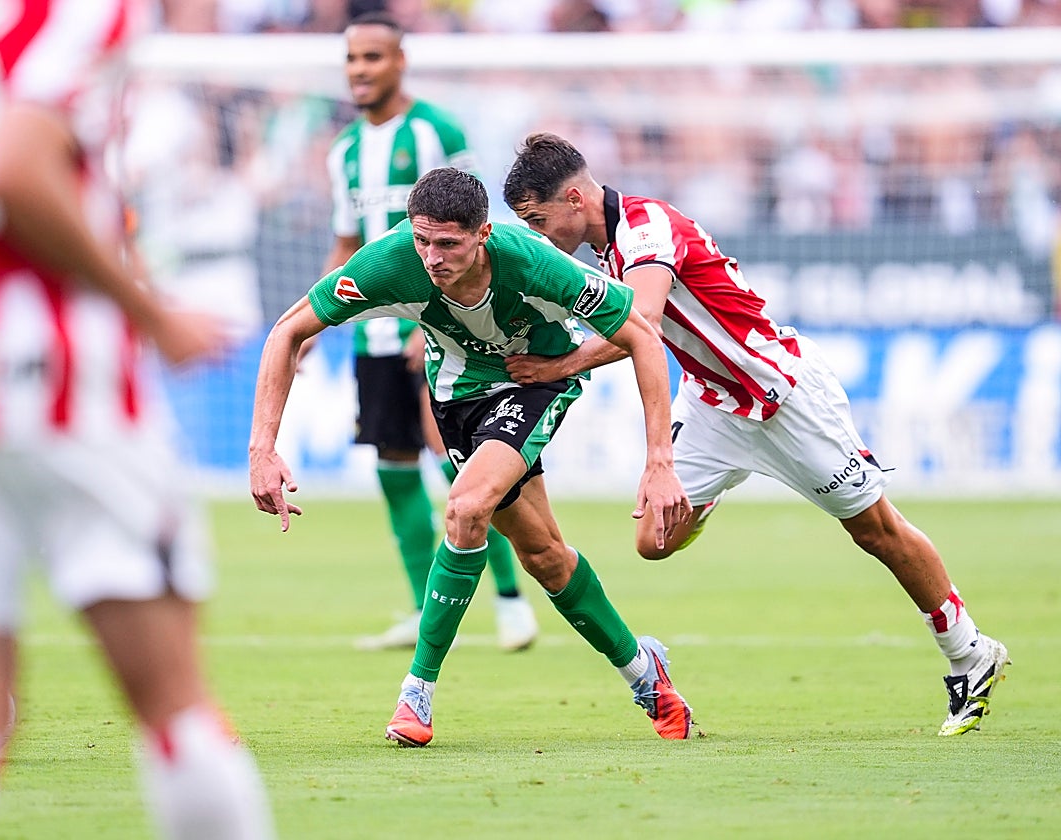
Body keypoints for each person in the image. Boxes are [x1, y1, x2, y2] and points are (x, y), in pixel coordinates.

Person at [0, 2, 274, 838]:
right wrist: (151, 313)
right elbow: (14, 168)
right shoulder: (81, 13)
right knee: (175, 709)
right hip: (61, 384)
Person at [502, 132, 1011, 737]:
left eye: (538, 220)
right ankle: (718, 484)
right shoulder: (604, 248)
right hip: (713, 404)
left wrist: (557, 367)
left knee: (876, 531)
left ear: (574, 199)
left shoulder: (645, 227)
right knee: (654, 540)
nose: (536, 234)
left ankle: (969, 652)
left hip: (781, 394)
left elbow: (641, 324)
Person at [249, 167, 695, 746]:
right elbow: (286, 331)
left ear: (483, 234)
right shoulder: (391, 261)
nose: (432, 258)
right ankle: (643, 671)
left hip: (533, 382)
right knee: (543, 556)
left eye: (448, 244)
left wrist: (659, 461)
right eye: (422, 240)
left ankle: (417, 691)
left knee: (465, 508)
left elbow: (642, 336)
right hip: (456, 397)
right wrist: (263, 449)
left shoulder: (535, 263)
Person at [321, 11, 537, 652]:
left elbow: (478, 222)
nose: (360, 70)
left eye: (373, 57)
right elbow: (345, 243)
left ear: (400, 61)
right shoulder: (344, 152)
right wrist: (311, 325)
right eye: (352, 58)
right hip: (374, 335)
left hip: (441, 326)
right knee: (392, 463)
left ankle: (509, 599)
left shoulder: (437, 130)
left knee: (460, 464)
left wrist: (439, 317)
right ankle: (424, 609)